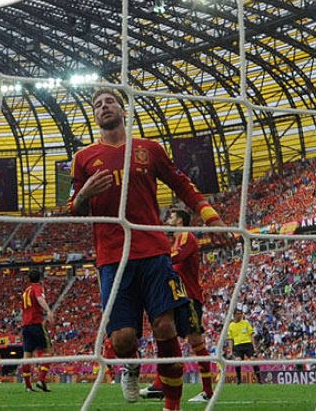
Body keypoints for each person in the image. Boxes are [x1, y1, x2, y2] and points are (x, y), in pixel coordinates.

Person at [69, 88, 229, 411]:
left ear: (123, 109)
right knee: (122, 340)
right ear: (94, 116)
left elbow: (182, 184)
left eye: (110, 101)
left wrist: (211, 217)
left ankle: (173, 406)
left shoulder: (149, 149)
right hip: (113, 258)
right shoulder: (83, 158)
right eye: (97, 105)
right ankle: (130, 364)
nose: (104, 107)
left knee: (165, 328)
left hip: (154, 252)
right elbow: (73, 211)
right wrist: (83, 194)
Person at [140, 209, 215, 402]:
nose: (168, 220)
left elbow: (176, 257)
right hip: (176, 296)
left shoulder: (186, 236)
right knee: (167, 337)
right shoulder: (174, 240)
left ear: (180, 220)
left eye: (171, 217)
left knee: (195, 341)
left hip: (189, 297)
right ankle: (160, 385)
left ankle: (208, 391)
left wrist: (154, 259)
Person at [20, 269, 54, 392]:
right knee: (48, 351)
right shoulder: (37, 288)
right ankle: (41, 380)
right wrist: (48, 311)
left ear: (29, 279)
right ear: (40, 279)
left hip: (25, 326)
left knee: (27, 356)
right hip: (36, 323)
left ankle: (28, 386)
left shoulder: (26, 291)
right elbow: (39, 299)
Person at [227, 308, 262, 384]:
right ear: (234, 315)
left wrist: (254, 347)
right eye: (238, 314)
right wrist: (231, 350)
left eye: (241, 314)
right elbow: (230, 339)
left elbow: (251, 335)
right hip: (237, 346)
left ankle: (259, 379)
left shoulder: (246, 322)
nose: (240, 315)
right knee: (237, 361)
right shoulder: (231, 325)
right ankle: (239, 379)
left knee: (253, 360)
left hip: (247, 344)